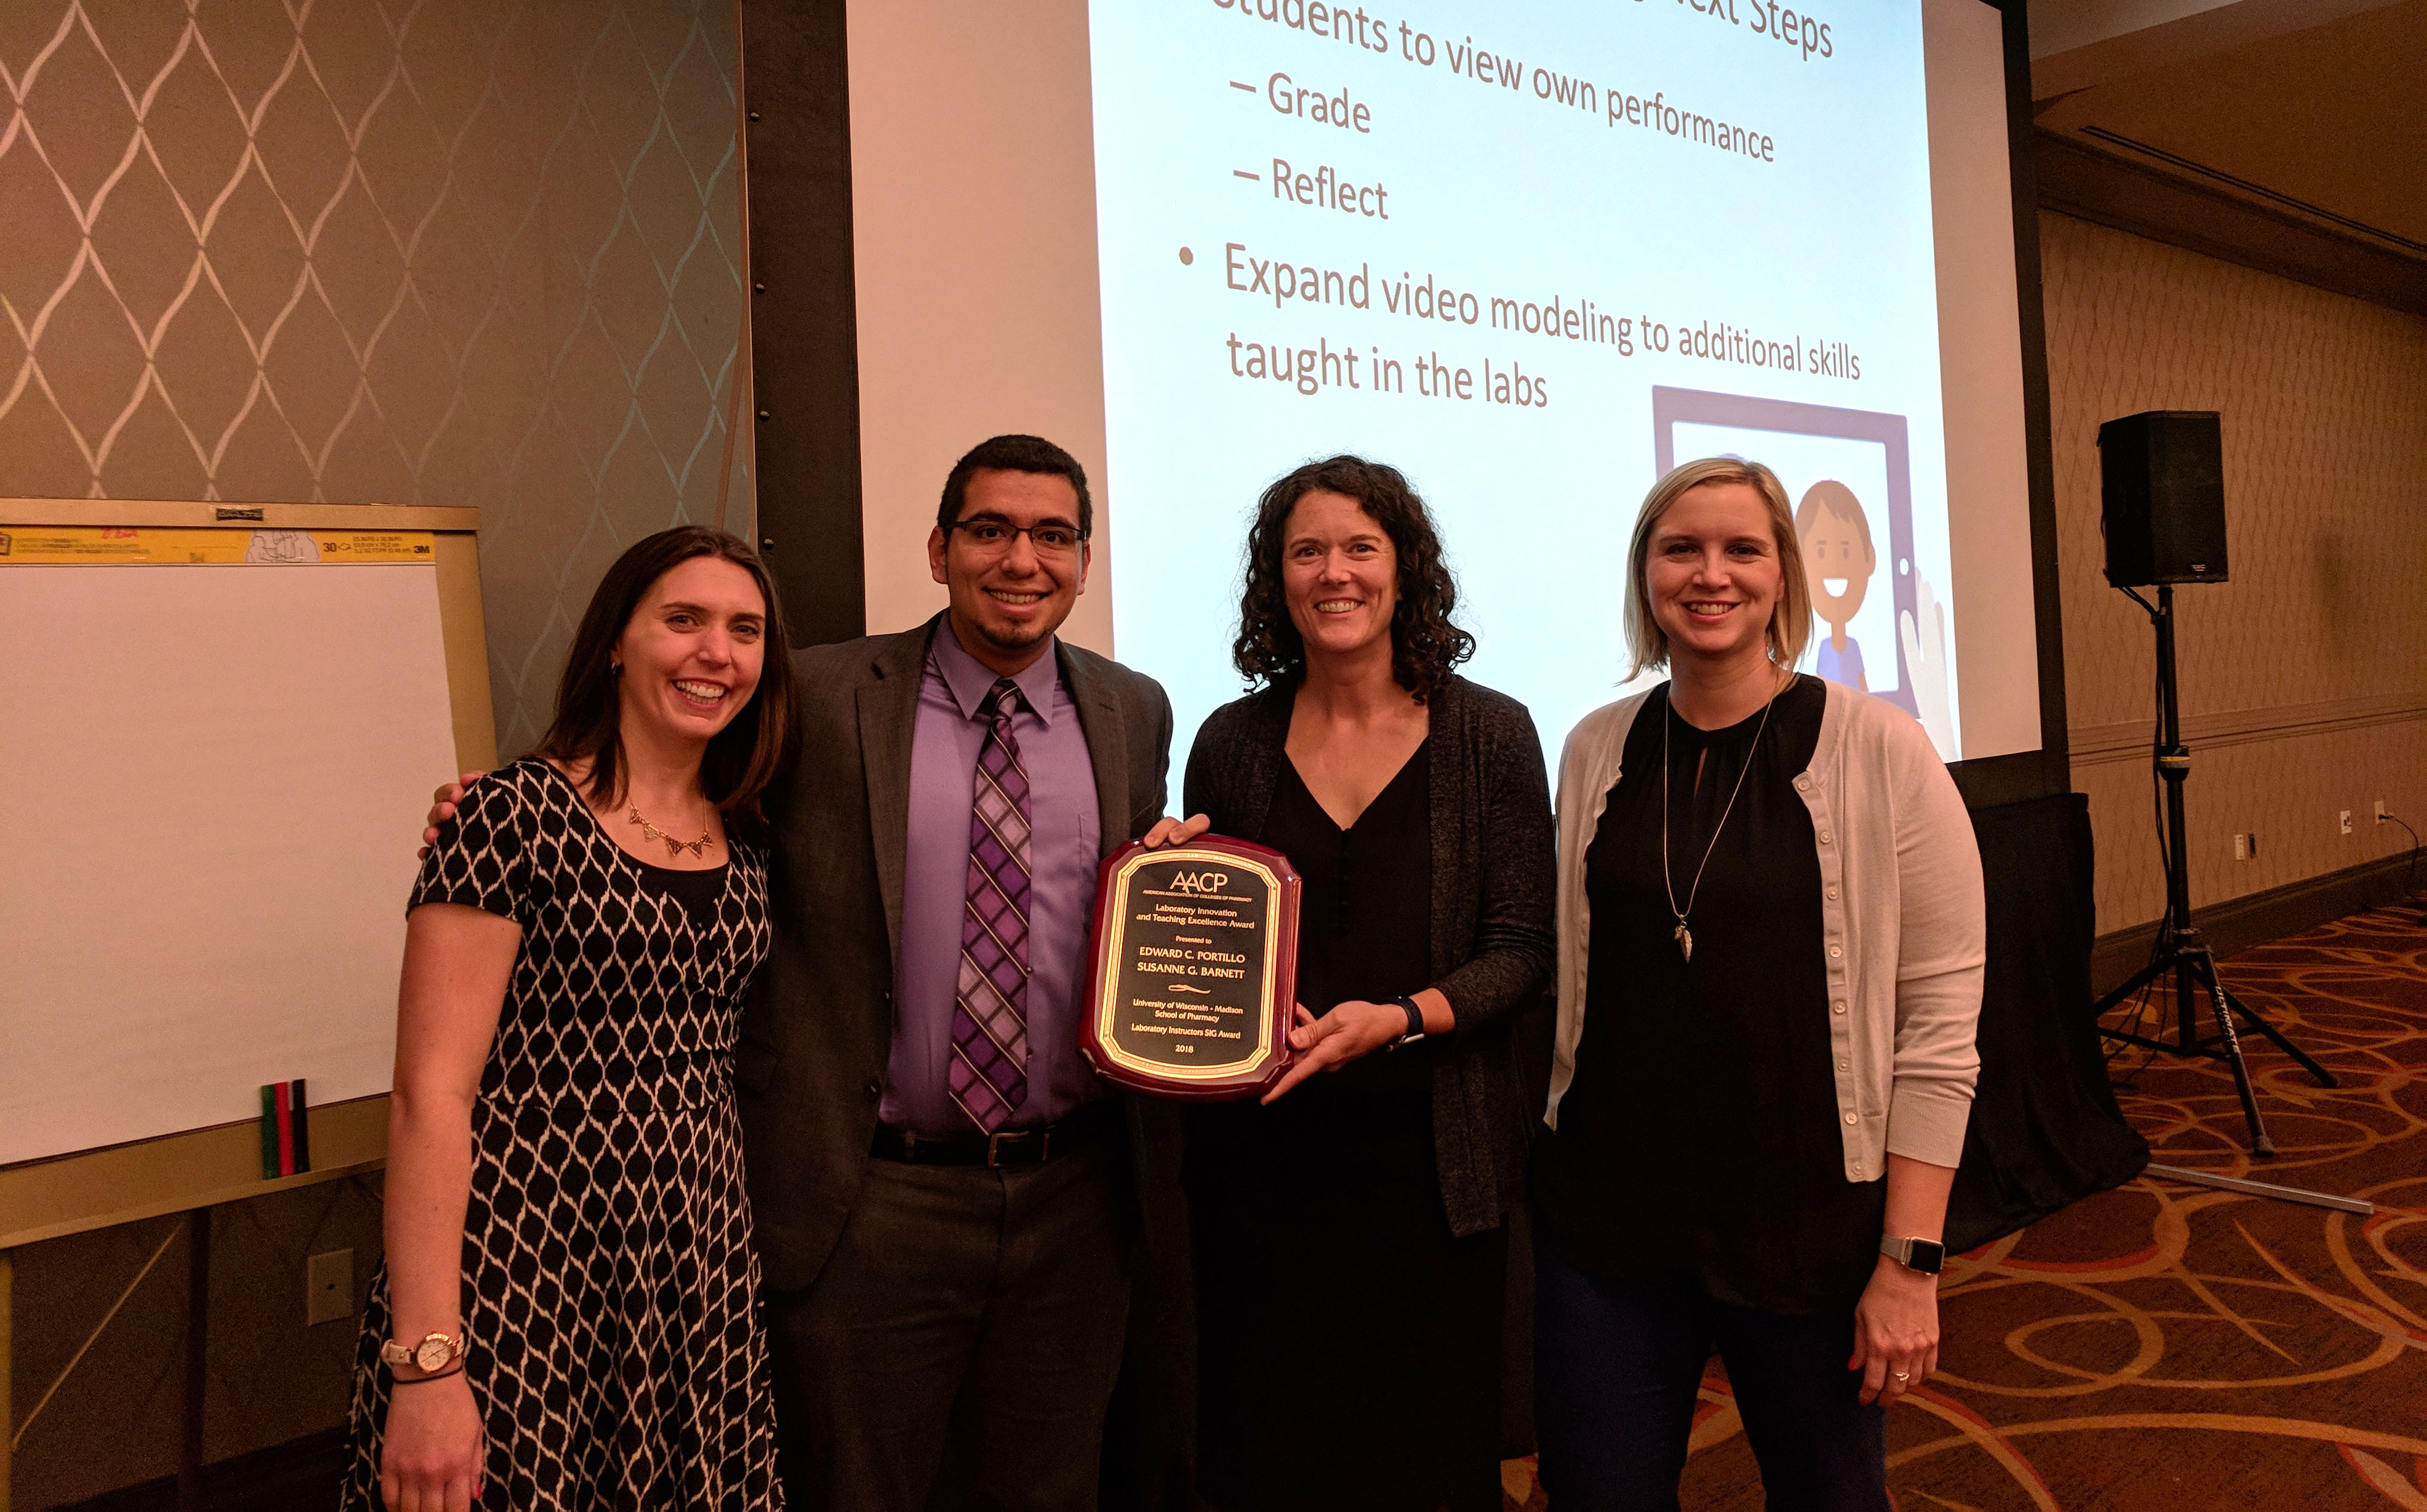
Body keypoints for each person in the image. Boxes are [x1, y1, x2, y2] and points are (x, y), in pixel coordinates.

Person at [423, 435, 1200, 1510]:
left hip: (1074, 1201)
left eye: (1052, 535)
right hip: (866, 1201)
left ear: (1082, 559)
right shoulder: (820, 694)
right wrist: (503, 799)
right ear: (938, 549)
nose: (1021, 558)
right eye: (989, 530)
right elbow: (661, 782)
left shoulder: (1133, 709)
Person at [1530, 456, 1986, 1510]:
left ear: (1783, 574)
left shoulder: (1879, 748)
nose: (1710, 574)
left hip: (1807, 1235)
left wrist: (1908, 1262)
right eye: (1678, 548)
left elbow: (1938, 1029)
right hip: (1609, 1227)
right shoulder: (1595, 747)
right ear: (1644, 574)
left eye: (1742, 549)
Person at [348, 526, 794, 1510]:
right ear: (615, 641)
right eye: (682, 620)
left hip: (698, 1271)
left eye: (744, 629)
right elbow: (432, 1094)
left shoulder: (754, 832)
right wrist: (426, 1364)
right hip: (523, 1266)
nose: (715, 653)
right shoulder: (510, 816)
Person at [1178, 456, 1556, 1511]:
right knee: (1269, 1454)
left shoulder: (1487, 733)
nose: (1332, 573)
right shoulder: (1231, 741)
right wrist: (1161, 880)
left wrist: (1396, 1020)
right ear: (1276, 578)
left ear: (1403, 571)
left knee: (1424, 1464)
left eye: (1358, 547)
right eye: (1306, 551)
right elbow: (1211, 949)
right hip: (1262, 1168)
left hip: (1431, 1176)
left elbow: (1525, 947)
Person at [1796, 478, 1877, 692]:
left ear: (1870, 559)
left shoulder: (1853, 647)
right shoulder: (1822, 648)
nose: (1834, 565)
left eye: (1846, 551)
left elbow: (1862, 684)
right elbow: (1820, 681)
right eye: (1820, 552)